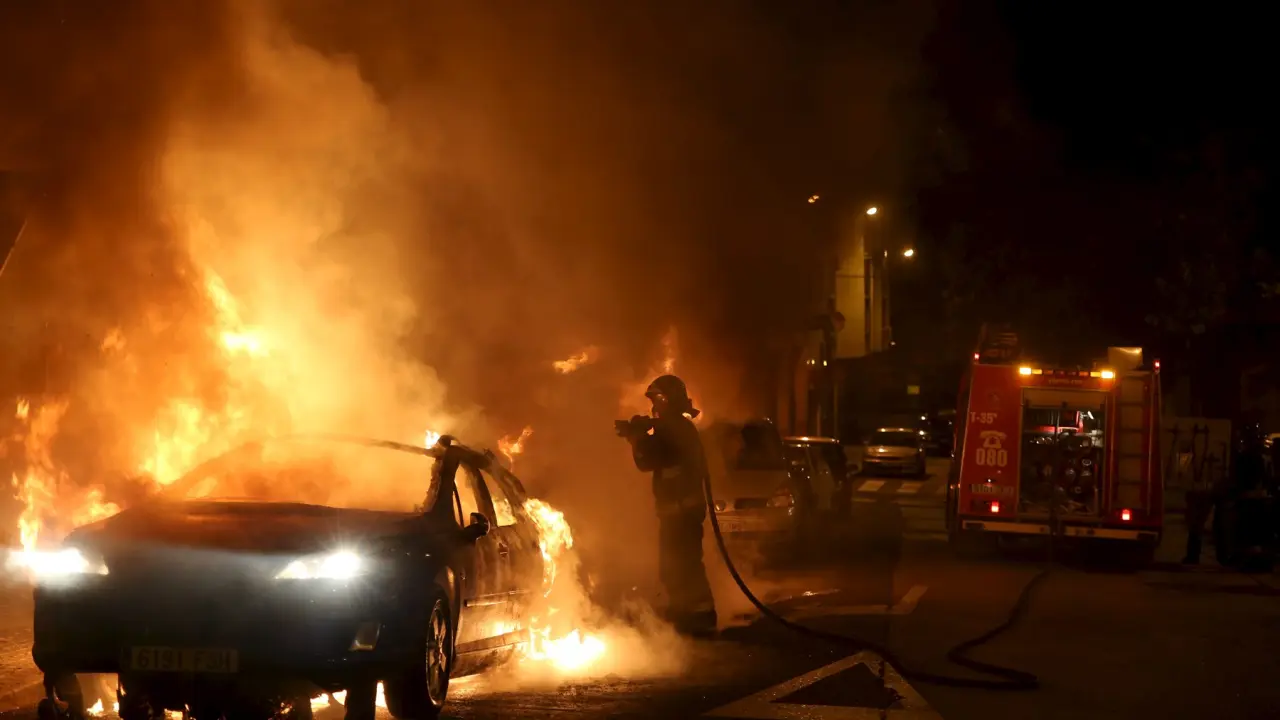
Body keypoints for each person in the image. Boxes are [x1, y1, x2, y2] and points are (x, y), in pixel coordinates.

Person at [619, 374, 717, 636]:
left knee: (684, 565)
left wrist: (637, 437)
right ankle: (685, 613)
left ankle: (700, 617)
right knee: (674, 567)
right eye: (654, 400)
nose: (655, 405)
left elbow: (647, 460)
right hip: (677, 512)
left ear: (670, 400)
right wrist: (640, 433)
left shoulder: (676, 429)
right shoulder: (674, 428)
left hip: (682, 512)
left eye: (659, 399)